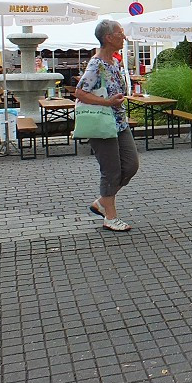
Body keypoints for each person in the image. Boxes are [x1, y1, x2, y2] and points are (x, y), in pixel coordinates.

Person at [75, 19, 137, 232]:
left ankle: (102, 201)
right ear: (108, 38)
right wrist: (107, 102)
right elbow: (80, 92)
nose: (124, 36)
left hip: (119, 121)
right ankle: (110, 217)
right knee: (110, 170)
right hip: (101, 122)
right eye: (120, 33)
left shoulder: (114, 61)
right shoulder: (97, 64)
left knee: (130, 165)